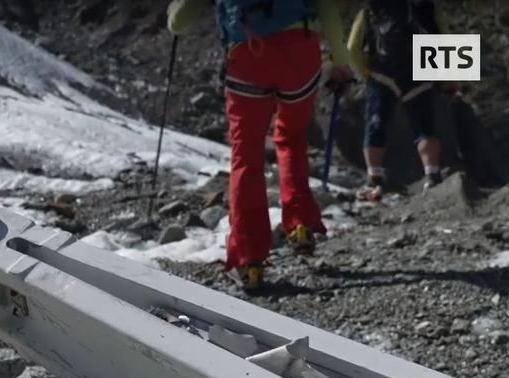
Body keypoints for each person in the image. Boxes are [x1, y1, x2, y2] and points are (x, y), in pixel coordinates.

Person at [167, 0, 354, 291]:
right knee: (292, 138)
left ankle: (249, 259)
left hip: (248, 56)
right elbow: (328, 8)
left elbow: (179, 21)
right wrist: (341, 61)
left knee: (246, 154)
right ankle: (300, 222)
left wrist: (172, 15)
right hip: (300, 52)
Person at [347, 0, 450, 201]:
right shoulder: (427, 6)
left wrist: (364, 72)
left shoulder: (370, 9)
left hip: (381, 74)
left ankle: (374, 180)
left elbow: (352, 47)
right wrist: (448, 79)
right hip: (419, 72)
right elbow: (444, 37)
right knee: (424, 127)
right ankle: (433, 175)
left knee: (375, 126)